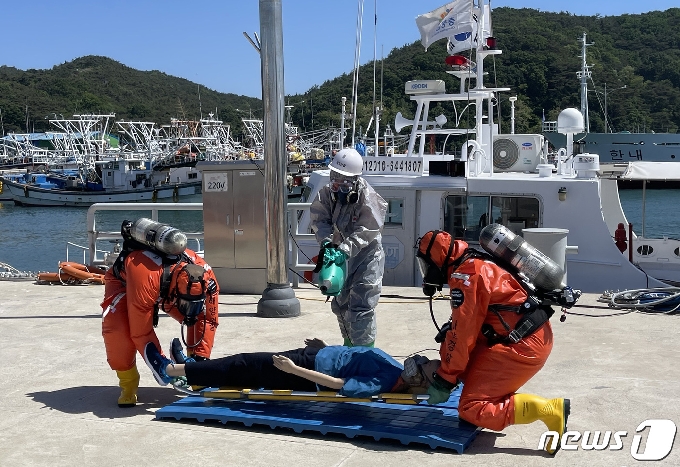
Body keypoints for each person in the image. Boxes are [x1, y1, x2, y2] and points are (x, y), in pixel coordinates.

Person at [416, 230, 569, 455]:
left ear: (439, 260)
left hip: (521, 346)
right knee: (462, 373)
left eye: (427, 265)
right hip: (527, 336)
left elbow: (462, 335)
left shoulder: (466, 277)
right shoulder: (474, 263)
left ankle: (549, 410)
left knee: (470, 407)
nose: (427, 272)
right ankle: (490, 398)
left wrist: (444, 380)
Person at [101, 229, 220, 408]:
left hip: (168, 289)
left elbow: (210, 320)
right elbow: (141, 332)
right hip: (127, 283)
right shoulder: (145, 276)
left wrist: (199, 366)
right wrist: (161, 364)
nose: (188, 309)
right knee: (118, 330)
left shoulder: (207, 279)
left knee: (199, 316)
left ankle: (192, 366)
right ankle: (128, 383)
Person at [143, 337, 440, 399]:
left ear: (421, 380)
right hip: (314, 356)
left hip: (304, 370)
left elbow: (337, 386)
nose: (422, 361)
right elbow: (354, 356)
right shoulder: (394, 368)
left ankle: (170, 371)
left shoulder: (386, 381)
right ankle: (191, 369)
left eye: (427, 367)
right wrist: (324, 346)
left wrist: (291, 369)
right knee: (244, 365)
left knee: (245, 364)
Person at [310, 148, 387, 347]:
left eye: (343, 184)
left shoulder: (368, 197)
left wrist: (345, 249)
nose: (337, 188)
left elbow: (367, 229)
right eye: (334, 182)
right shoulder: (327, 194)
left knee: (362, 306)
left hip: (366, 256)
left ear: (354, 180)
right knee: (340, 303)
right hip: (340, 254)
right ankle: (348, 344)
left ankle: (364, 352)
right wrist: (327, 242)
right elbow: (320, 219)